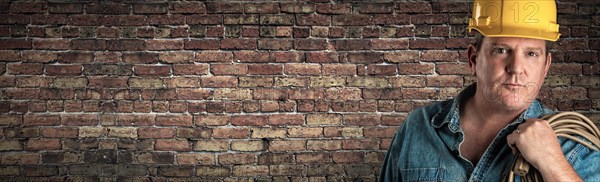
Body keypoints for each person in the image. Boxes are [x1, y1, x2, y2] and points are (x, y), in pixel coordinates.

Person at [379, 0, 600, 181]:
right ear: (473, 59)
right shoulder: (418, 128)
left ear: (546, 66)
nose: (516, 68)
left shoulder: (574, 146)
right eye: (501, 50)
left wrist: (552, 162)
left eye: (531, 54)